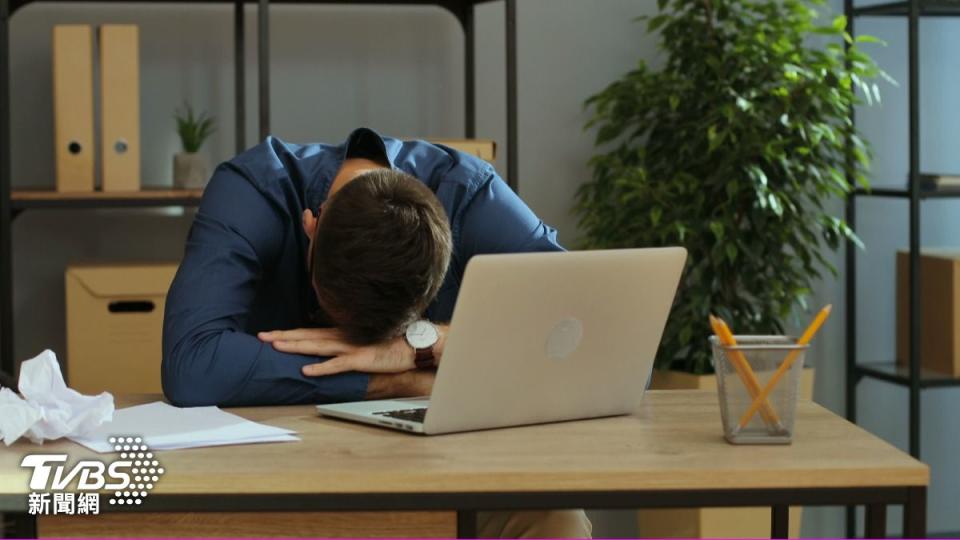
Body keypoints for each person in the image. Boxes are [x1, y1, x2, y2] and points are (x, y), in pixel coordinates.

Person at [162, 127, 592, 538]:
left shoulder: (471, 195)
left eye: (391, 334)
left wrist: (425, 343)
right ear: (311, 225)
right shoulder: (254, 189)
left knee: (555, 518)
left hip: (447, 467)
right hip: (274, 469)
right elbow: (193, 365)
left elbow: (596, 344)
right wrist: (394, 378)